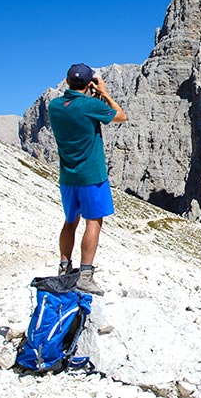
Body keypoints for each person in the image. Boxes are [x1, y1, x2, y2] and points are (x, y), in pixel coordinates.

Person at [48, 63, 127, 295]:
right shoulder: (91, 105)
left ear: (67, 81)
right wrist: (103, 92)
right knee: (93, 221)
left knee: (70, 220)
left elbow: (74, 106)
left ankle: (64, 268)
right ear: (89, 83)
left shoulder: (54, 106)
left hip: (67, 176)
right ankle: (85, 274)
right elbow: (121, 116)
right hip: (92, 175)